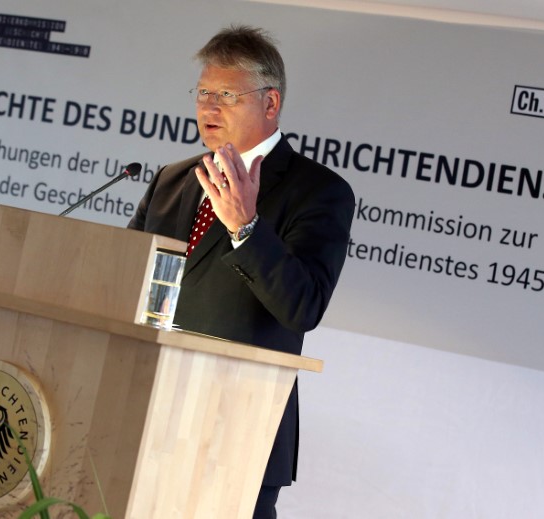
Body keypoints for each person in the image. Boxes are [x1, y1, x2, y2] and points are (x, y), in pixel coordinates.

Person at [128, 25, 355, 518]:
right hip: (144, 415)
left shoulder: (318, 191)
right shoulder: (172, 181)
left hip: (237, 431)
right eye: (204, 93)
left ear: (270, 104)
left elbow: (303, 306)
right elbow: (125, 280)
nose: (208, 108)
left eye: (226, 96)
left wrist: (246, 228)